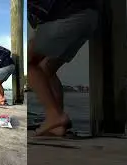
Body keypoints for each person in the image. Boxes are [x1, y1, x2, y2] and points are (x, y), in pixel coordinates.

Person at [28, 0, 98, 136]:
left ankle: (54, 115)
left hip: (69, 17)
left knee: (29, 63)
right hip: (90, 18)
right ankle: (58, 126)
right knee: (47, 68)